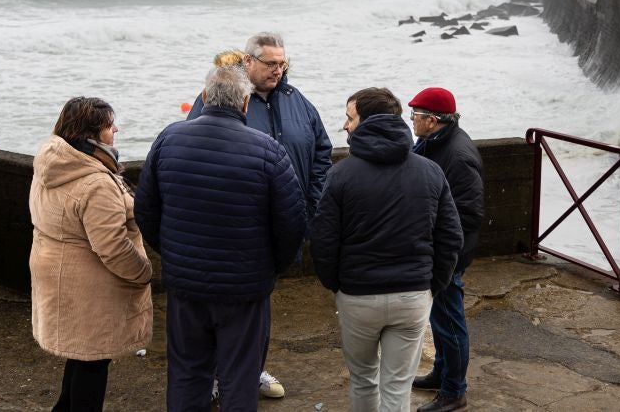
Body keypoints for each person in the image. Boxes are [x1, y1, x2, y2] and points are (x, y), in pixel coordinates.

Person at [135, 65, 307, 412]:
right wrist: (270, 268)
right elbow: (292, 225)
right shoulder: (268, 151)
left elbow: (146, 210)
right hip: (244, 287)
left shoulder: (169, 139)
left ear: (204, 97)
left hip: (187, 284)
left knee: (187, 371)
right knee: (240, 376)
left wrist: (173, 253)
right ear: (245, 103)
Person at [187, 33, 333, 398]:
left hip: (281, 225)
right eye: (270, 64)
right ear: (248, 61)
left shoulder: (297, 100)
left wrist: (308, 205)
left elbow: (322, 153)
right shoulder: (221, 96)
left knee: (259, 307)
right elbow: (193, 151)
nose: (278, 70)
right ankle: (215, 377)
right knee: (221, 307)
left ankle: (249, 371)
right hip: (231, 227)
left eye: (282, 63)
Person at [310, 87, 463, 412]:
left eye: (350, 118)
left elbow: (323, 240)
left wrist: (337, 285)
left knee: (363, 379)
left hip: (358, 295)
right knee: (397, 387)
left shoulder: (341, 174)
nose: (345, 125)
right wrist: (430, 286)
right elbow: (451, 238)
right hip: (412, 294)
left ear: (368, 121)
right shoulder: (430, 171)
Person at [29, 97, 153, 412]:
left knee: (81, 355)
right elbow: (112, 247)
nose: (116, 130)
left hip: (58, 273)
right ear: (90, 135)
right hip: (89, 287)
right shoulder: (96, 183)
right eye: (110, 126)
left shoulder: (51, 163)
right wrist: (143, 273)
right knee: (93, 363)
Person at [408, 87, 483, 412]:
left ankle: (454, 391)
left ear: (432, 120)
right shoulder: (433, 142)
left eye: (415, 115)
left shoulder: (457, 155)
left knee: (450, 321)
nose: (411, 120)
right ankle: (441, 373)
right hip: (438, 250)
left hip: (448, 253)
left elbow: (469, 213)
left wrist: (443, 252)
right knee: (440, 318)